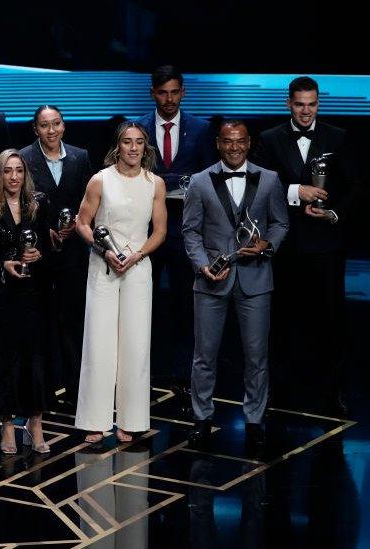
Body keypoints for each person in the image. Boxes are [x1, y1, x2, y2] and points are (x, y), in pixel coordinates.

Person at [253, 76, 357, 417]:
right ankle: (278, 391)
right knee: (280, 322)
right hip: (283, 247)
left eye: (311, 104)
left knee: (330, 322)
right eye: (299, 104)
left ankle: (332, 393)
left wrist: (333, 211)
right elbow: (261, 186)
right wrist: (298, 192)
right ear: (288, 104)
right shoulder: (268, 139)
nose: (305, 111)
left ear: (318, 104)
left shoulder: (337, 137)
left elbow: (354, 187)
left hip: (325, 246)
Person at [182, 120, 289, 449]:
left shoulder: (269, 179)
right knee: (204, 356)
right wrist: (202, 265)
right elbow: (190, 232)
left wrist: (266, 246)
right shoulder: (200, 182)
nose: (234, 147)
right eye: (228, 142)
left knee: (256, 356)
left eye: (240, 141)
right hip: (213, 279)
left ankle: (255, 421)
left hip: (255, 279)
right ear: (218, 143)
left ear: (248, 142)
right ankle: (202, 418)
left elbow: (280, 223)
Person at [74, 122, 167, 444]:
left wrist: (138, 255)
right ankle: (95, 420)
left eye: (139, 142)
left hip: (138, 268)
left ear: (145, 147)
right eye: (127, 142)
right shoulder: (100, 180)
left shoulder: (154, 183)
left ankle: (132, 419)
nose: (133, 148)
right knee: (99, 343)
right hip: (104, 266)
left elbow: (160, 231)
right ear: (118, 146)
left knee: (136, 344)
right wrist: (103, 249)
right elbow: (82, 222)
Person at [134, 66, 214, 395]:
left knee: (186, 304)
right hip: (145, 230)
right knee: (143, 303)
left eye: (174, 92)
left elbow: (208, 178)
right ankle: (143, 373)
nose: (169, 99)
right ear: (153, 93)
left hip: (187, 231)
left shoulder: (201, 128)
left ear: (183, 92)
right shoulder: (136, 127)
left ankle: (184, 373)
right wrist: (172, 185)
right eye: (162, 92)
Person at [0, 150, 51, 454]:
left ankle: (35, 423)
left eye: (19, 171)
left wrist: (40, 255)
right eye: (8, 171)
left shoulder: (39, 204)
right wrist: (2, 263)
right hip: (1, 295)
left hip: (34, 294)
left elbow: (49, 244)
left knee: (35, 358)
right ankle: (7, 425)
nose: (14, 177)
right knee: (3, 359)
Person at [18, 105, 93, 410]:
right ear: (36, 129)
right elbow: (18, 203)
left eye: (56, 124)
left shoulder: (80, 156)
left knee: (73, 323)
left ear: (64, 126)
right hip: (39, 252)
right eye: (44, 126)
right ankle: (43, 390)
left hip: (74, 253)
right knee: (41, 323)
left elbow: (91, 200)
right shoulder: (23, 158)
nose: (51, 130)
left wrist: (79, 224)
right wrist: (43, 230)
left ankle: (77, 390)